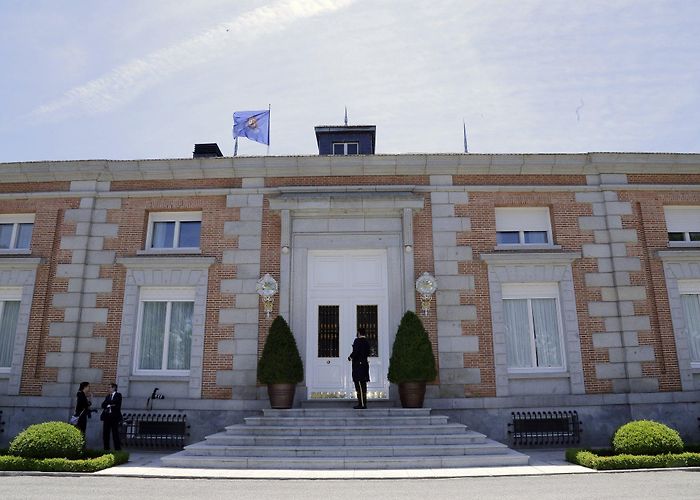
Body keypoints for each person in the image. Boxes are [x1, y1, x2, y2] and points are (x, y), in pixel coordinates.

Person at [348, 328, 371, 409]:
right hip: (364, 365)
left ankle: (361, 404)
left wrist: (350, 357)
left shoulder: (357, 341)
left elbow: (356, 351)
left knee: (359, 386)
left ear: (358, 333)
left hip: (358, 366)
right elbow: (368, 352)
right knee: (363, 385)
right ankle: (363, 403)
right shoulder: (367, 342)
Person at [101, 382, 123, 450]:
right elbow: (103, 405)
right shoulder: (108, 396)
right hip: (107, 417)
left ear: (114, 388)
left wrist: (109, 404)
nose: (109, 389)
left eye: (110, 387)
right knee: (105, 433)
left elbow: (116, 403)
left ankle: (117, 449)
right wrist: (110, 404)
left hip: (114, 417)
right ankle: (106, 448)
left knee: (115, 433)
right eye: (108, 387)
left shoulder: (118, 395)